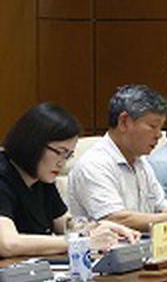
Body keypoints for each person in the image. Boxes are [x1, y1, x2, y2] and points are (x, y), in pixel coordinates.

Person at [0, 103, 138, 257]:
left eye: (68, 155)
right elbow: (8, 244)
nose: (62, 163)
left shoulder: (41, 178)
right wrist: (84, 241)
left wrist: (101, 228)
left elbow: (65, 224)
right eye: (59, 152)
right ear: (32, 144)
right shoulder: (4, 174)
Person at [66, 84, 167, 232]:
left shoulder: (140, 162)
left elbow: (161, 207)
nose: (159, 135)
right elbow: (116, 218)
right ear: (124, 122)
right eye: (153, 126)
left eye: (160, 128)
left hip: (144, 244)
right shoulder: (94, 164)